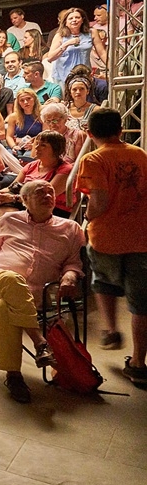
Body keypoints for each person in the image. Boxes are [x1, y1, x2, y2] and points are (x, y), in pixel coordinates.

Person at [0, 181, 84, 402]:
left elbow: (73, 263)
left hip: (37, 293)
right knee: (11, 279)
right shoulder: (9, 219)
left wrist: (70, 277)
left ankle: (13, 375)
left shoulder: (70, 228)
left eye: (50, 192)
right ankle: (40, 342)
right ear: (24, 201)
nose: (47, 195)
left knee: (5, 308)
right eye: (39, 192)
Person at [75, 109, 147, 384]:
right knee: (141, 303)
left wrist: (88, 217)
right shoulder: (140, 155)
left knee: (103, 281)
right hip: (141, 236)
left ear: (90, 134)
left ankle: (110, 329)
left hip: (107, 236)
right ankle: (139, 363)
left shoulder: (93, 159)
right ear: (120, 130)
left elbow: (100, 201)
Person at [46, 8, 107, 86]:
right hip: (64, 75)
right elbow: (50, 58)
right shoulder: (59, 35)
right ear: (66, 22)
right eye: (71, 18)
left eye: (77, 17)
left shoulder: (92, 32)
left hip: (84, 74)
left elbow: (102, 53)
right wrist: (66, 44)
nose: (74, 20)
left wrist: (113, 68)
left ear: (82, 20)